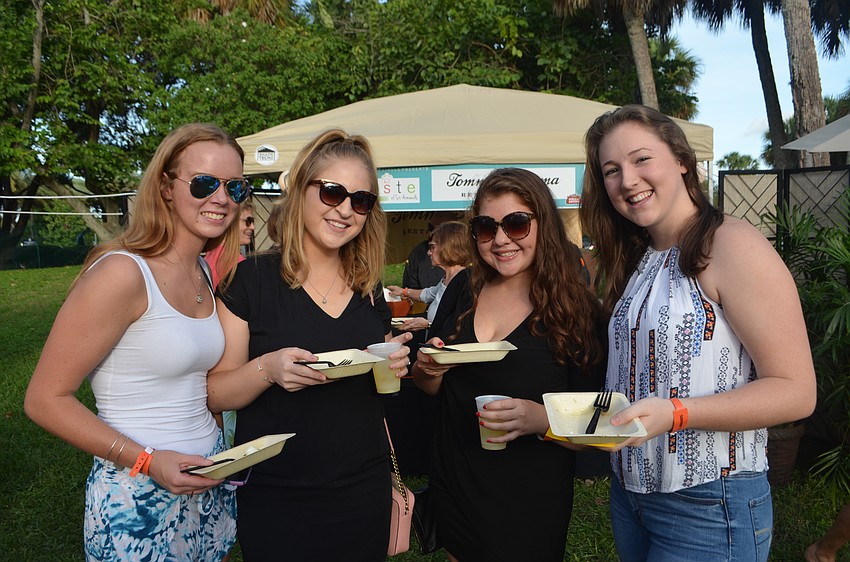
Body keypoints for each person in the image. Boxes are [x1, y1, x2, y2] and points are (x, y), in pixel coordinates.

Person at [579, 104, 817, 562]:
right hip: (632, 497)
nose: (627, 180)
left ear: (682, 160)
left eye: (641, 159)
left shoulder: (732, 245)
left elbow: (796, 392)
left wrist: (676, 413)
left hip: (710, 503)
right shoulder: (641, 257)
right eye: (611, 170)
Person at [24, 123, 248, 561]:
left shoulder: (203, 270)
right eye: (204, 183)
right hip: (138, 492)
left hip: (207, 484)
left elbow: (197, 385)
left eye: (234, 187)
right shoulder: (123, 272)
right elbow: (44, 399)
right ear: (166, 187)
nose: (220, 198)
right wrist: (147, 460)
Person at [206, 128, 413, 561]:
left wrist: (393, 364)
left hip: (363, 491)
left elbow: (376, 379)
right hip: (277, 495)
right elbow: (214, 392)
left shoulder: (368, 288)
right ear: (301, 190)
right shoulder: (250, 281)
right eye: (332, 192)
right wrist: (268, 368)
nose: (345, 211)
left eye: (361, 200)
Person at [411, 167, 607, 561]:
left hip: (530, 493)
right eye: (486, 226)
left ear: (543, 226)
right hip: (457, 476)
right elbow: (429, 385)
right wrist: (427, 370)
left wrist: (540, 418)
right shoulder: (463, 288)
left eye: (516, 223)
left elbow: (600, 418)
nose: (500, 239)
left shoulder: (576, 309)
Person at [387, 220, 470, 332]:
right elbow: (429, 293)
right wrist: (403, 292)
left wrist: (429, 324)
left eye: (432, 247)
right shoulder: (447, 279)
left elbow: (459, 324)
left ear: (448, 247)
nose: (428, 253)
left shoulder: (465, 282)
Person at [401, 211, 457, 292]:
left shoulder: (469, 258)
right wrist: (407, 293)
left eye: (439, 230)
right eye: (430, 228)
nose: (431, 233)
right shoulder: (419, 252)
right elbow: (410, 287)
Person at [204, 200, 255, 289]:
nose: (252, 227)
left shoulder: (212, 252)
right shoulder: (236, 262)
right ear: (232, 222)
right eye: (248, 221)